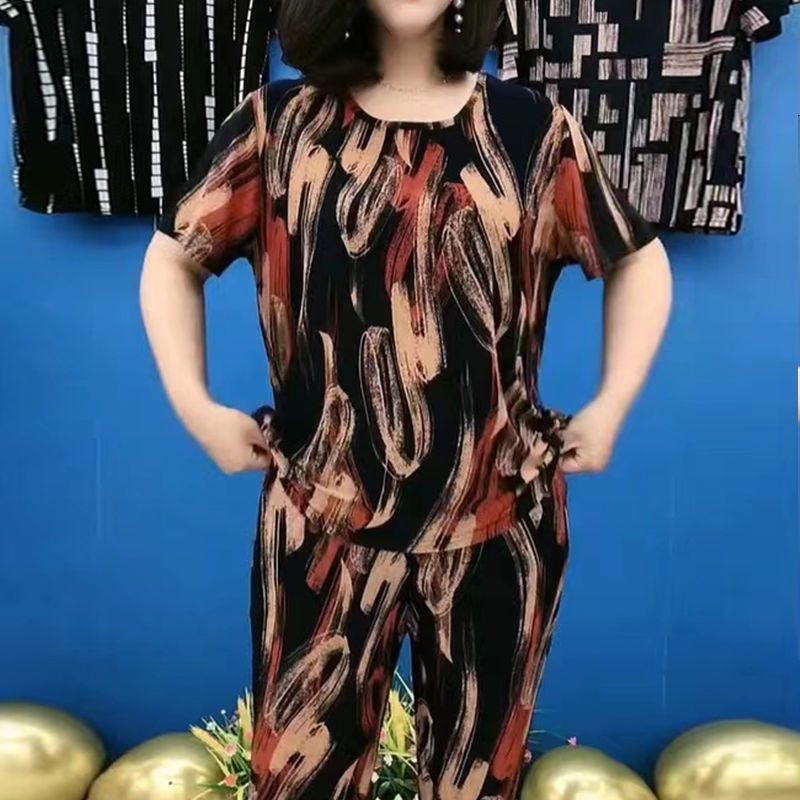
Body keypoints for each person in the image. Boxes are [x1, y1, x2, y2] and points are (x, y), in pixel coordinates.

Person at [139, 1, 673, 798]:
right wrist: (194, 405)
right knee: (300, 782)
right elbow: (173, 258)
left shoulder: (532, 130)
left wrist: (611, 404)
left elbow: (638, 259)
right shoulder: (278, 127)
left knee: (476, 785)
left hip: (498, 520)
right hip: (321, 521)